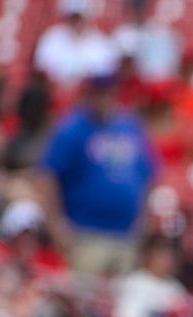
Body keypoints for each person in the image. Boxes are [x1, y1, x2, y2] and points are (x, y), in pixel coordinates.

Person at [34, 71, 158, 276]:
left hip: (126, 235)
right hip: (85, 233)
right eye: (99, 93)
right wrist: (56, 226)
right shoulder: (71, 128)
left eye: (109, 93)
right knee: (88, 301)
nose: (105, 99)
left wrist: (143, 219)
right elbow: (46, 177)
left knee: (121, 302)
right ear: (88, 95)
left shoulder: (129, 126)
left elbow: (148, 175)